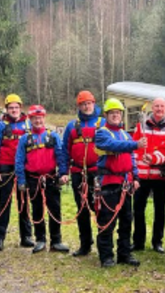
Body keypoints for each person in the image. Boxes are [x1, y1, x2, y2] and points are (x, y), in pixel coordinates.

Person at [94, 98, 144, 268]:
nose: (116, 115)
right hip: (109, 182)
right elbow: (113, 145)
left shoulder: (125, 134)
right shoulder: (102, 133)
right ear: (106, 115)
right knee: (107, 221)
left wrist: (135, 177)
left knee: (126, 220)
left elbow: (131, 157)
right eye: (113, 113)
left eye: (118, 113)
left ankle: (124, 253)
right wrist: (135, 144)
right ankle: (106, 255)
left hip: (125, 182)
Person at [14, 104, 68, 254]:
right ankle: (40, 240)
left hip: (51, 178)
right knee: (37, 209)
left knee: (54, 209)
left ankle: (56, 240)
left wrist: (63, 173)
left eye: (40, 118)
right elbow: (19, 160)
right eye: (35, 119)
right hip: (33, 179)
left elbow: (61, 156)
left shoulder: (53, 136)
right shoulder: (25, 139)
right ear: (30, 120)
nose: (38, 121)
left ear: (44, 118)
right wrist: (21, 181)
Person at [61, 90, 104, 257]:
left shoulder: (102, 123)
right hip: (79, 172)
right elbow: (65, 150)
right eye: (83, 104)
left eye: (89, 103)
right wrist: (63, 172)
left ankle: (103, 245)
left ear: (94, 104)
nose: (87, 106)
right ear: (79, 106)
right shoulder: (72, 126)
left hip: (98, 172)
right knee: (82, 209)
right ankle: (85, 244)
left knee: (100, 208)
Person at [0, 93, 33, 250]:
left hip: (23, 168)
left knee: (24, 202)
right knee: (4, 203)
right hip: (5, 168)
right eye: (11, 108)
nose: (14, 110)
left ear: (21, 108)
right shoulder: (1, 126)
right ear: (6, 109)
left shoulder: (28, 125)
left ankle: (26, 236)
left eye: (16, 107)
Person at [132, 97, 165, 253]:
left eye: (162, 106)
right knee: (138, 209)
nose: (159, 109)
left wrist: (160, 160)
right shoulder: (141, 127)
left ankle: (157, 242)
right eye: (156, 106)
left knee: (160, 210)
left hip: (161, 176)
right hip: (142, 176)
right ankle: (138, 241)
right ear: (152, 107)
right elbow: (134, 148)